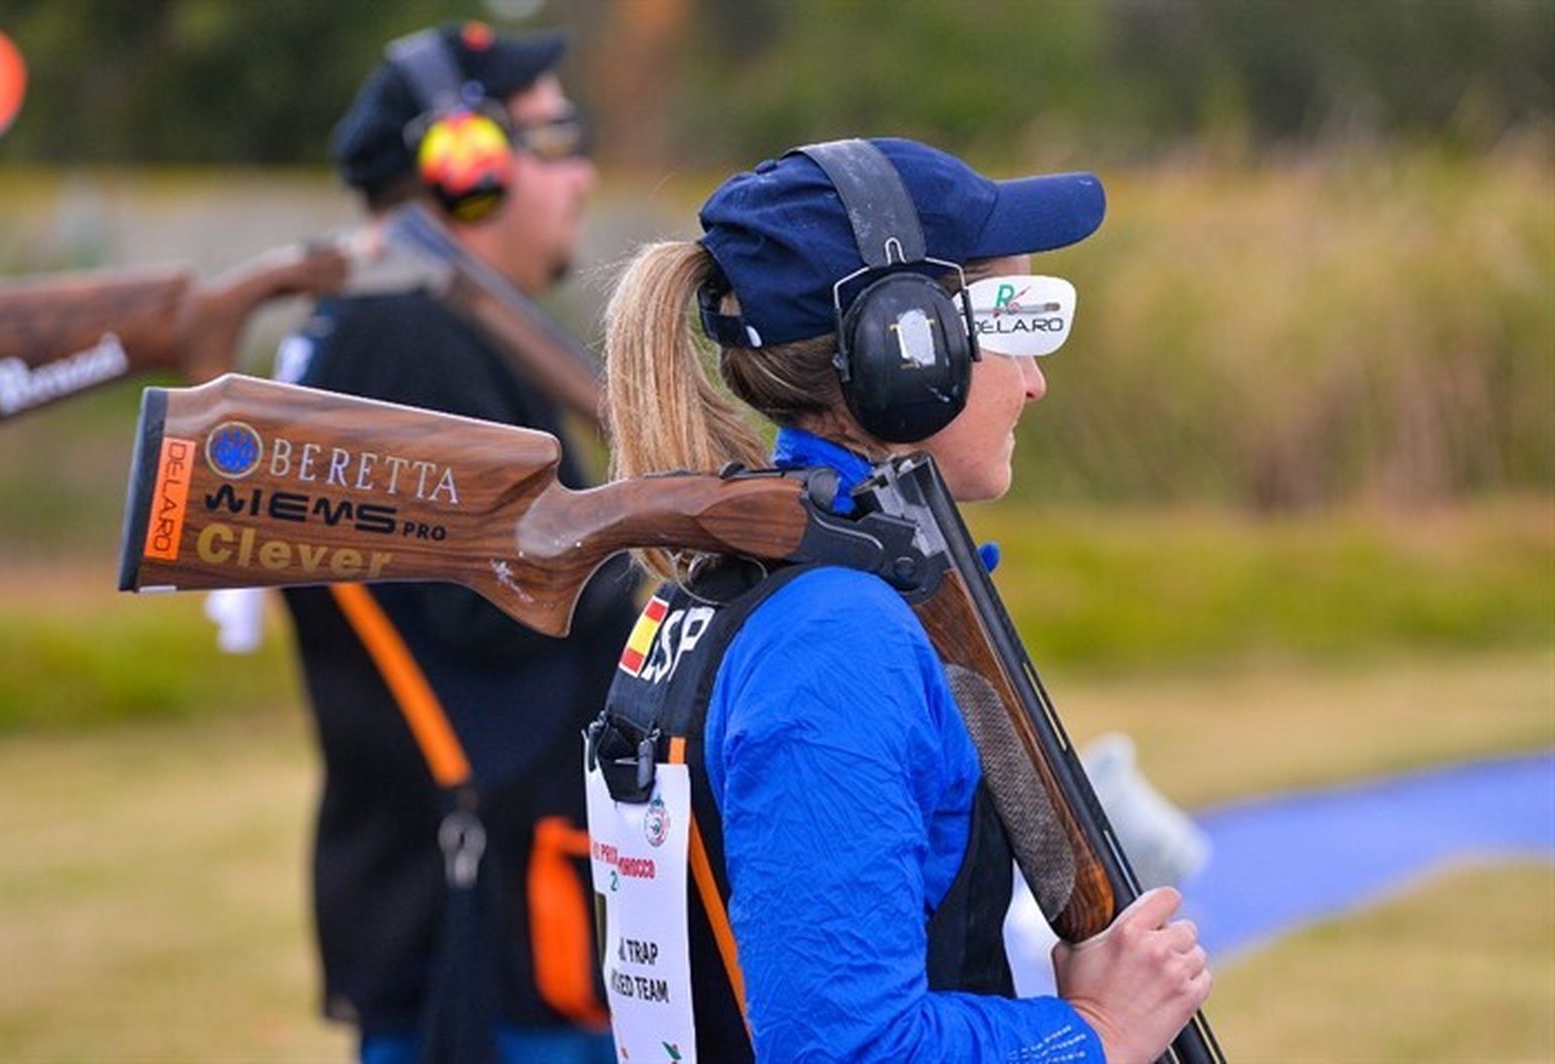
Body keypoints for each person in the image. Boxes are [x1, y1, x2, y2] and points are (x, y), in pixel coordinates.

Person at [590, 138, 1213, 1062]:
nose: (1036, 378)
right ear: (903, 343)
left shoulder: (747, 578)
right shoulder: (836, 635)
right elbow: (849, 1047)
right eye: (1013, 319)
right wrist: (1094, 1035)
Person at [272, 21, 635, 1064]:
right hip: (484, 934)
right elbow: (499, 605)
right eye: (554, 134)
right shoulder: (406, 334)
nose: (584, 171)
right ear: (463, 165)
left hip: (483, 905)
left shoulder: (426, 322)